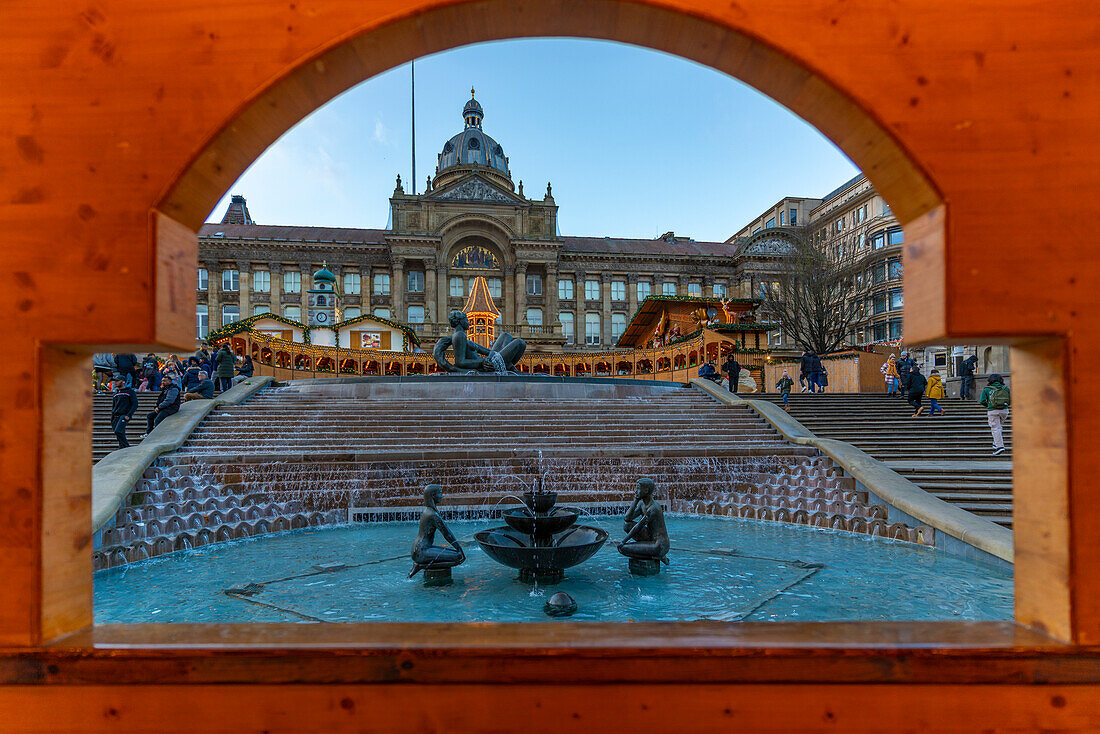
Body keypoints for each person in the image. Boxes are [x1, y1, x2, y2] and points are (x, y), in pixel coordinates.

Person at [408, 484, 465, 578]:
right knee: (458, 557)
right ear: (433, 496)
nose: (442, 496)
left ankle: (420, 565)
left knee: (453, 552)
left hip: (419, 549)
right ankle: (421, 566)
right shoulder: (432, 515)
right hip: (421, 552)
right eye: (440, 493)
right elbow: (447, 534)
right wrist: (460, 550)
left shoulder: (428, 510)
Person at [618, 477, 670, 566]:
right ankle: (649, 553)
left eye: (638, 488)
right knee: (626, 525)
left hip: (659, 544)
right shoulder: (642, 504)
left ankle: (657, 556)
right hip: (650, 537)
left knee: (623, 548)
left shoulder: (653, 508)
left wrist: (623, 541)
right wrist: (635, 499)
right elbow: (627, 518)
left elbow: (638, 526)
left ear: (646, 491)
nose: (635, 491)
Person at [979, 374, 1011, 456]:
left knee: (995, 428)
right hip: (1005, 411)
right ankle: (995, 442)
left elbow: (982, 400)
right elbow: (1010, 400)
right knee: (998, 427)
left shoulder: (987, 389)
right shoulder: (1006, 388)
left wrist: (989, 405)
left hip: (993, 411)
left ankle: (999, 447)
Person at [109, 378, 138, 449]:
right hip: (115, 416)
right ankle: (121, 447)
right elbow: (114, 405)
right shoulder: (115, 393)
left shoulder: (130, 392)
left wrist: (129, 414)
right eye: (114, 381)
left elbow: (135, 404)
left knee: (118, 431)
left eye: (117, 381)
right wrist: (112, 417)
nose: (115, 383)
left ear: (123, 382)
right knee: (119, 432)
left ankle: (126, 447)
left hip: (124, 415)